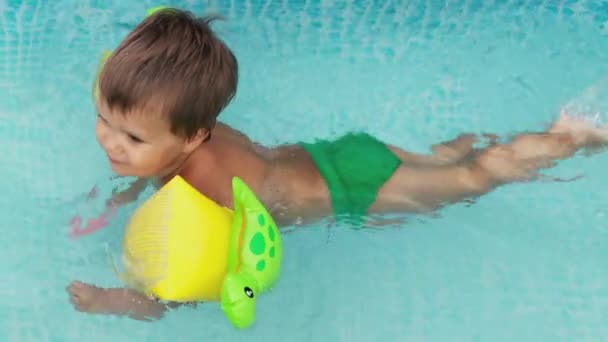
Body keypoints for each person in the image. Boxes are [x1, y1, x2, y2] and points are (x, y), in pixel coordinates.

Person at [67, 7, 608, 320]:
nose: (110, 143)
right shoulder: (186, 126)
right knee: (442, 168)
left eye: (132, 137)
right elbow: (155, 167)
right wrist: (123, 191)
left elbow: (193, 284)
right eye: (104, 120)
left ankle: (567, 138)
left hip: (353, 187)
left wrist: (116, 300)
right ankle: (450, 152)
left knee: (474, 179)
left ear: (193, 137)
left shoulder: (211, 188)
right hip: (339, 152)